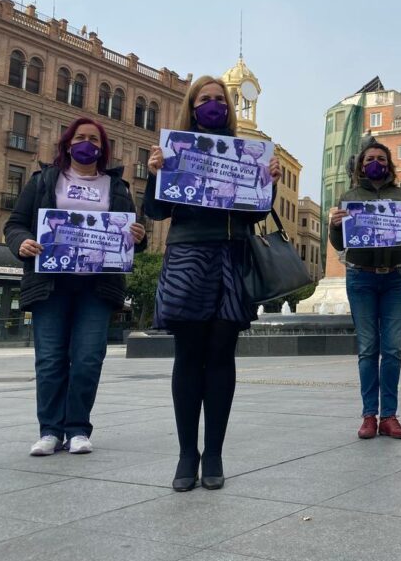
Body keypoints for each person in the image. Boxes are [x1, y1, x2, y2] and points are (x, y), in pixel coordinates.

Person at [144, 75, 281, 492]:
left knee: (222, 355)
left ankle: (215, 452)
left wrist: (268, 181)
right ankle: (188, 453)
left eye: (219, 99)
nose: (213, 105)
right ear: (192, 105)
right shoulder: (175, 148)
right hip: (188, 256)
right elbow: (156, 211)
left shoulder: (247, 152)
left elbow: (255, 215)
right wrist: (154, 174)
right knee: (188, 356)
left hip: (231, 256)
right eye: (205, 99)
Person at [4, 117, 146, 456]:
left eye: (93, 138)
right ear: (68, 144)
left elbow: (130, 238)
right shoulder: (44, 181)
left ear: (103, 147)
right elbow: (15, 225)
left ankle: (78, 428)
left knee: (87, 358)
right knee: (50, 359)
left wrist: (137, 237)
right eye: (80, 137)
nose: (87, 143)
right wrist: (22, 242)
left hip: (97, 288)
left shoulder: (118, 188)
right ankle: (50, 430)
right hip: (49, 285)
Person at [329, 140, 401, 441]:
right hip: (360, 277)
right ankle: (369, 416)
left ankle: (390, 417)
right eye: (370, 158)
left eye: (381, 158)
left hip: (396, 276)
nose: (375, 162)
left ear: (389, 164)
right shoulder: (349, 197)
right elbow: (340, 244)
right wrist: (333, 226)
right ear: (361, 164)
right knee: (368, 349)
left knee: (393, 350)